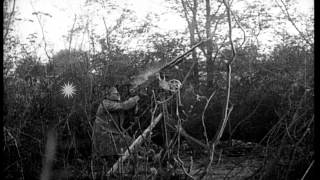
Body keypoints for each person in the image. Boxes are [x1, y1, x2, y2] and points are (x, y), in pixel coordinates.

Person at [92, 86, 140, 177]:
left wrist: (134, 101)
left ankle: (123, 170)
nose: (118, 94)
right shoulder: (106, 103)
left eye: (118, 92)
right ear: (108, 95)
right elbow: (124, 106)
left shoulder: (113, 103)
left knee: (129, 144)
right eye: (115, 93)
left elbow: (127, 111)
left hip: (112, 134)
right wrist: (135, 98)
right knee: (129, 144)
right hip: (104, 136)